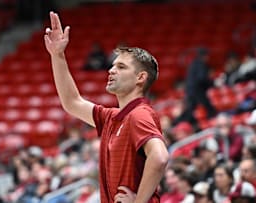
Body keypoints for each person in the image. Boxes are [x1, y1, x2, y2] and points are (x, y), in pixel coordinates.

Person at [44, 11, 169, 203]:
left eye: (121, 67)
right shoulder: (112, 117)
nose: (111, 70)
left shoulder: (139, 115)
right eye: (113, 65)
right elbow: (72, 102)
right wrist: (57, 55)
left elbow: (159, 157)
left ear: (141, 78)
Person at [178, 47, 217, 125]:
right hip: (197, 91)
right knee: (209, 108)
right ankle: (181, 123)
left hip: (191, 90)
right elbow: (202, 78)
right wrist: (212, 83)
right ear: (205, 56)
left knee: (191, 110)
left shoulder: (193, 63)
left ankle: (181, 123)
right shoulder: (201, 64)